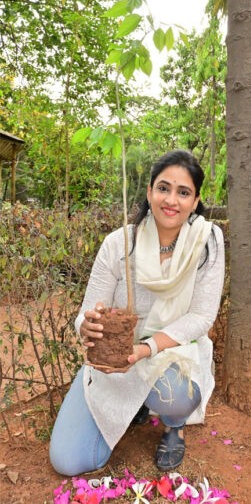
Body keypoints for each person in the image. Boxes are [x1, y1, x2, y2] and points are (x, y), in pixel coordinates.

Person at [50, 149, 225, 475]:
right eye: (163, 188)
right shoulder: (118, 243)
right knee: (67, 460)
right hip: (115, 360)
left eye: (183, 192)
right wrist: (86, 327)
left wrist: (146, 348)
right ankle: (134, 407)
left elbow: (201, 316)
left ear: (195, 200)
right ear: (149, 191)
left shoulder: (206, 242)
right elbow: (88, 310)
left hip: (171, 354)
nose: (171, 200)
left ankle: (174, 426)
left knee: (176, 395)